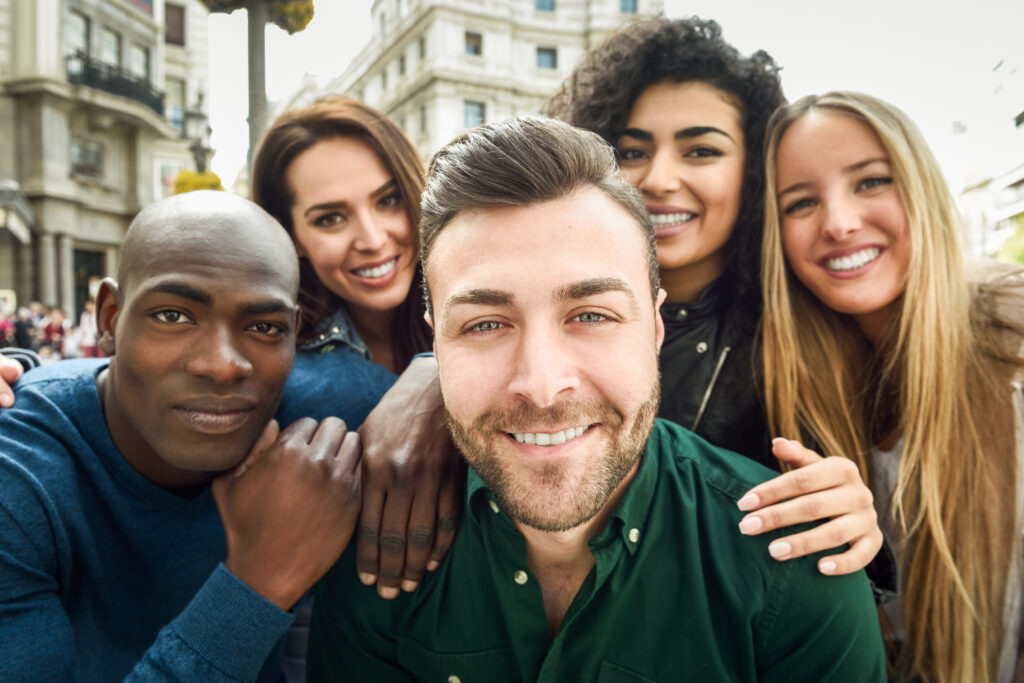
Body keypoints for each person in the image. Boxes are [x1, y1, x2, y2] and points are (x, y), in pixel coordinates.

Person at [307, 116, 886, 681]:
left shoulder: (795, 570)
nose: (540, 383)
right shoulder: (372, 556)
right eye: (485, 324)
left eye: (591, 315)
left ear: (655, 328)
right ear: (435, 344)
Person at [546, 16, 885, 579]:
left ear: (753, 172)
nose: (659, 178)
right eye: (631, 152)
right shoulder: (538, 313)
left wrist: (850, 514)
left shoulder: (809, 331)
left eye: (700, 151)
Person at [0, 191, 370, 680]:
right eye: (173, 316)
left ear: (292, 332)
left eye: (263, 326)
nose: (222, 366)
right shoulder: (19, 475)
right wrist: (257, 582)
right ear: (109, 318)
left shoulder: (318, 415)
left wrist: (429, 385)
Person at [760, 91, 1024, 683]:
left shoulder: (1014, 340)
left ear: (921, 187)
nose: (839, 222)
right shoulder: (795, 388)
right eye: (800, 202)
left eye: (872, 182)